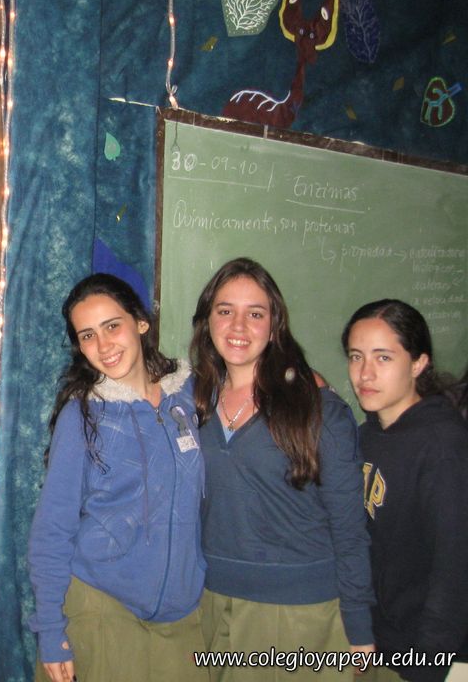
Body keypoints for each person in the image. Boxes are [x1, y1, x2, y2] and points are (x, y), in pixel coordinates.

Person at [190, 257, 374, 682]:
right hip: (211, 603)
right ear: (207, 320)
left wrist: (359, 625)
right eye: (225, 310)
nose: (238, 326)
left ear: (274, 325)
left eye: (255, 314)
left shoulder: (318, 409)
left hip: (299, 614)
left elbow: (350, 527)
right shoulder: (193, 400)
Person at [28, 273, 207, 682]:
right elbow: (52, 528)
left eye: (112, 326)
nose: (104, 345)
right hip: (101, 607)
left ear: (140, 322)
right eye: (87, 335)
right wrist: (51, 630)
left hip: (183, 614)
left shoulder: (189, 394)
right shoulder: (82, 415)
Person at [342, 300, 468, 682]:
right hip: (380, 644)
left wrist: (426, 665)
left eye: (383, 357)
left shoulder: (443, 446)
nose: (365, 373)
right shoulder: (365, 437)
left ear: (418, 363)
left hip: (430, 656)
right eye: (356, 356)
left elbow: (454, 569)